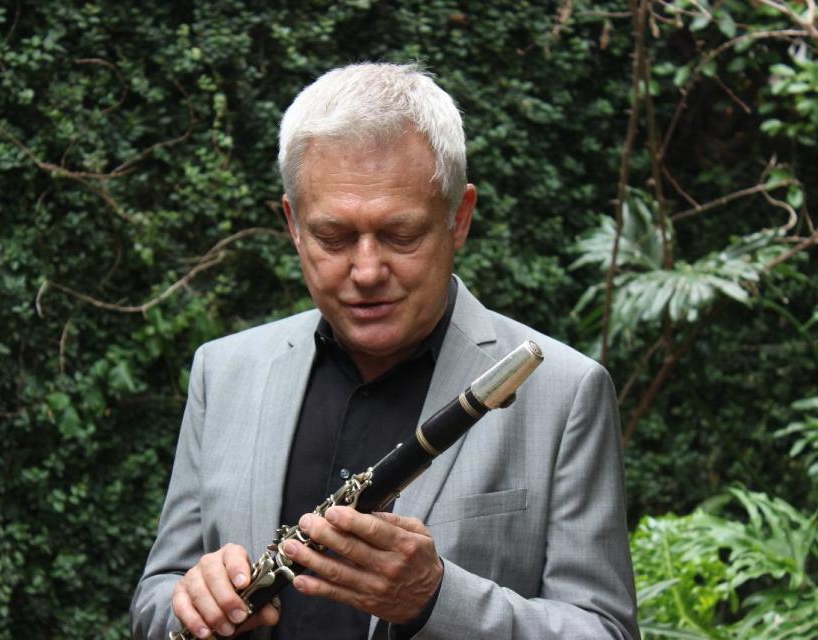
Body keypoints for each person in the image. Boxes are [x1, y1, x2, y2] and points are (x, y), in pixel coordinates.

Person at [131, 62, 639, 640]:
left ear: (460, 219)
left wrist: (436, 598)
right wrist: (188, 607)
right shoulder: (223, 372)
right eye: (333, 237)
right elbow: (156, 602)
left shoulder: (566, 392)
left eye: (401, 236)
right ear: (293, 225)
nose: (367, 271)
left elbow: (605, 631)